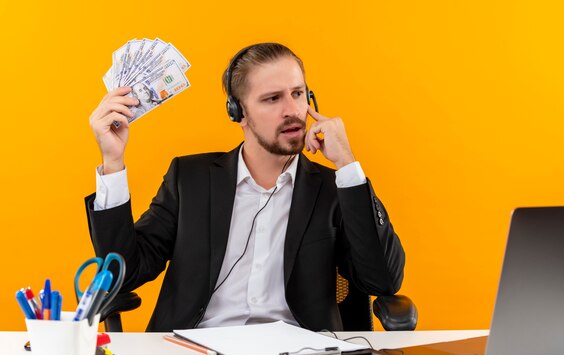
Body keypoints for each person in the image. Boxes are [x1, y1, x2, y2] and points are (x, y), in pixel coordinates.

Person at [86, 42, 405, 332]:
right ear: (238, 112)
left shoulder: (334, 190)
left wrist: (347, 165)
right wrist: (112, 162)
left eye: (297, 93)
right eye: (272, 98)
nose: (292, 111)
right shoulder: (190, 180)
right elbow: (123, 274)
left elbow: (383, 280)